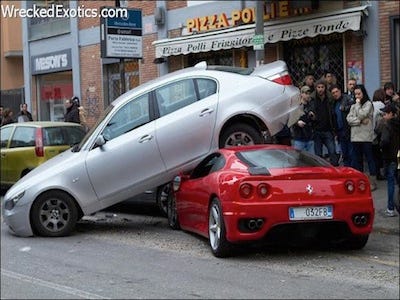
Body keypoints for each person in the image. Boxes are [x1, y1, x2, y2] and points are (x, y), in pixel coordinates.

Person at [346, 84, 377, 191]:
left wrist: (358, 108)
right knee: (357, 160)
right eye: (355, 94)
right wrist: (359, 121)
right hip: (355, 137)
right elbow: (349, 119)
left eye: (359, 94)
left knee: (369, 159)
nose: (357, 96)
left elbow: (362, 114)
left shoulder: (368, 104)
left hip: (366, 137)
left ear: (363, 93)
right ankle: (359, 181)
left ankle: (372, 182)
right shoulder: (353, 106)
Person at [376, 103, 399, 217]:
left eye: (385, 113)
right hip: (398, 157)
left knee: (391, 183)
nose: (383, 115)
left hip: (389, 157)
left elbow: (384, 141)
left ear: (391, 114)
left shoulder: (387, 125)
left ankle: (390, 209)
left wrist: (380, 147)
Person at [309, 79, 339, 166]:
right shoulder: (312, 99)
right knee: (318, 155)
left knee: (332, 151)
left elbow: (333, 114)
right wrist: (311, 114)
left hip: (328, 130)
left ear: (325, 88)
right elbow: (308, 110)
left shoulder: (330, 99)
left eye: (322, 87)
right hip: (317, 130)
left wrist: (334, 129)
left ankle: (334, 170)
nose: (320, 89)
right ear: (316, 88)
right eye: (318, 87)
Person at [330, 84, 354, 166]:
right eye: (333, 93)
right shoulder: (333, 103)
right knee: (344, 153)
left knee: (351, 153)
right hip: (340, 131)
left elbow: (353, 107)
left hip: (349, 129)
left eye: (336, 91)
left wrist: (344, 108)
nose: (335, 94)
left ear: (340, 91)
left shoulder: (347, 98)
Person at [288, 85, 314, 153]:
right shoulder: (296, 106)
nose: (308, 95)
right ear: (301, 94)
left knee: (311, 160)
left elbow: (314, 119)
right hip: (299, 137)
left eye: (309, 94)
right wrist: (297, 122)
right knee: (298, 159)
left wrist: (313, 116)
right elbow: (290, 120)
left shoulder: (311, 105)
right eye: (306, 93)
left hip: (309, 137)